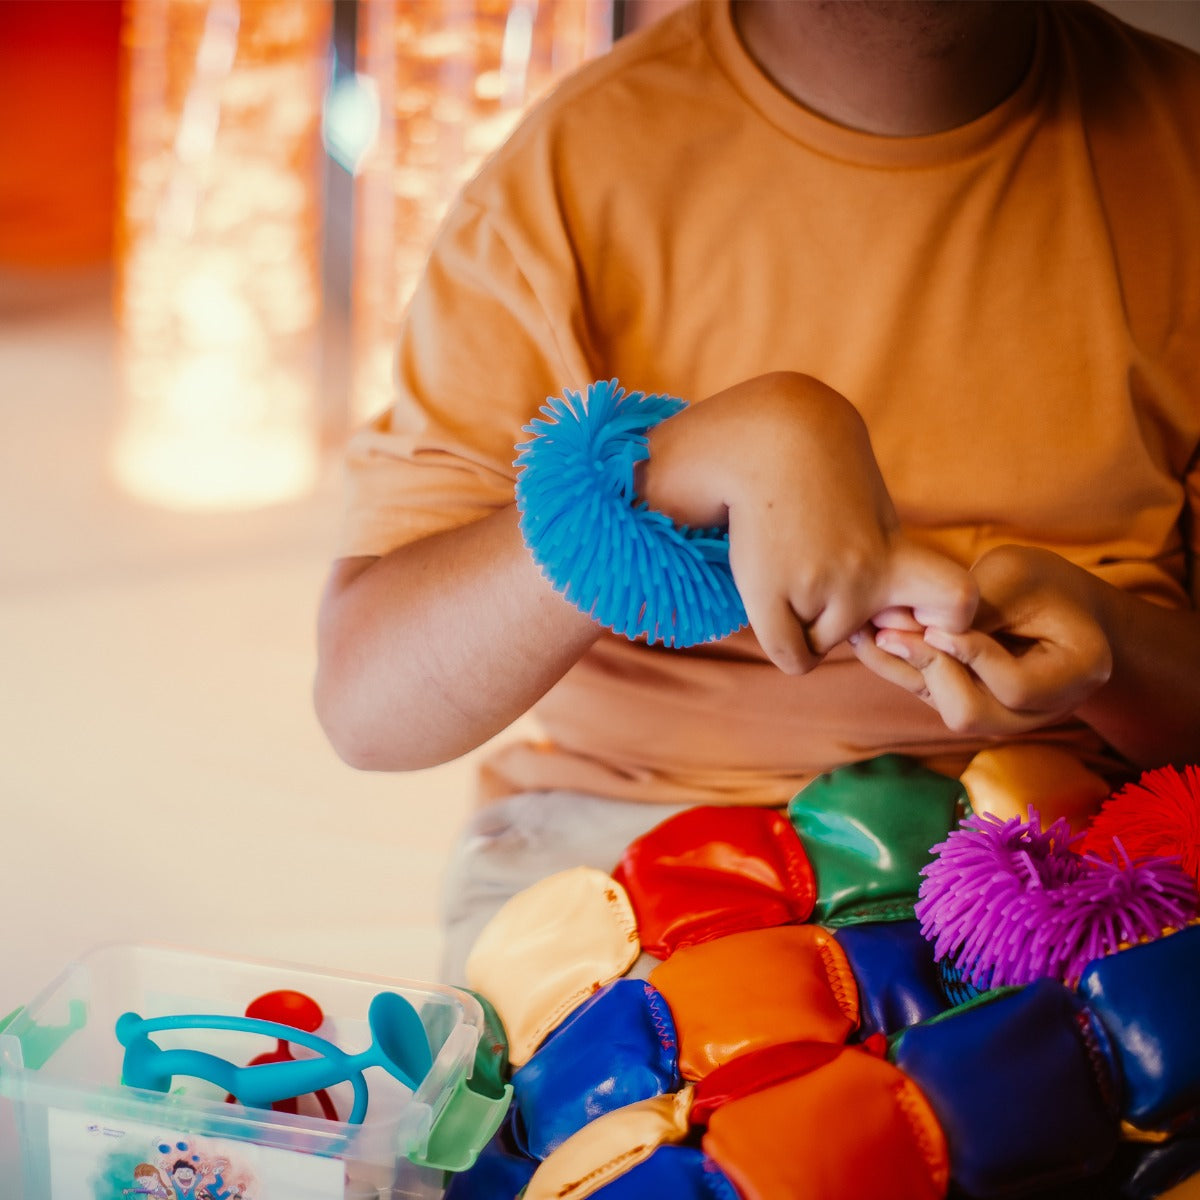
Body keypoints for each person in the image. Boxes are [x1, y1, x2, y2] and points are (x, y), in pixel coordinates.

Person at [314, 0, 1200, 982]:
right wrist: (670, 469)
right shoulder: (562, 177)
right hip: (632, 854)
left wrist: (1114, 650)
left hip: (1085, 856)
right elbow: (369, 705)